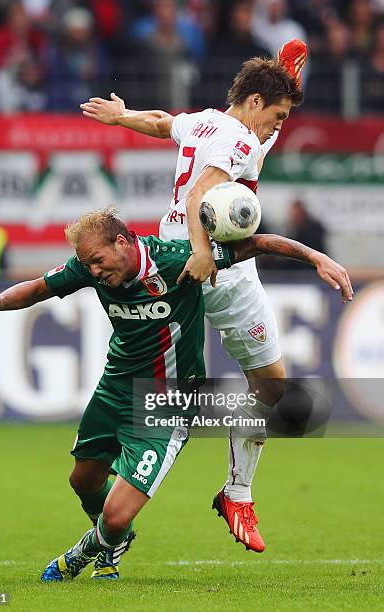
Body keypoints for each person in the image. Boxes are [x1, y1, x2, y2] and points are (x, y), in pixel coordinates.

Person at [0, 208, 351, 580]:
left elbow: (255, 242)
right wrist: (0, 302)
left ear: (123, 241)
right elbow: (41, 287)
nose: (94, 271)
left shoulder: (178, 259)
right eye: (88, 265)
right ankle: (115, 540)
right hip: (116, 387)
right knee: (83, 480)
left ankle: (89, 549)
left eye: (99, 260)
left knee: (114, 517)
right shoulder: (89, 266)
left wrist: (317, 257)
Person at [79, 42, 322, 554]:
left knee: (159, 382)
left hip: (168, 261)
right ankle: (237, 492)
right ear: (255, 102)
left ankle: (108, 466)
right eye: (276, 116)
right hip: (217, 268)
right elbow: (198, 197)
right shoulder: (239, 143)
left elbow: (165, 123)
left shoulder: (206, 121)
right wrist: (203, 250)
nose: (275, 128)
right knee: (272, 389)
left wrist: (123, 118)